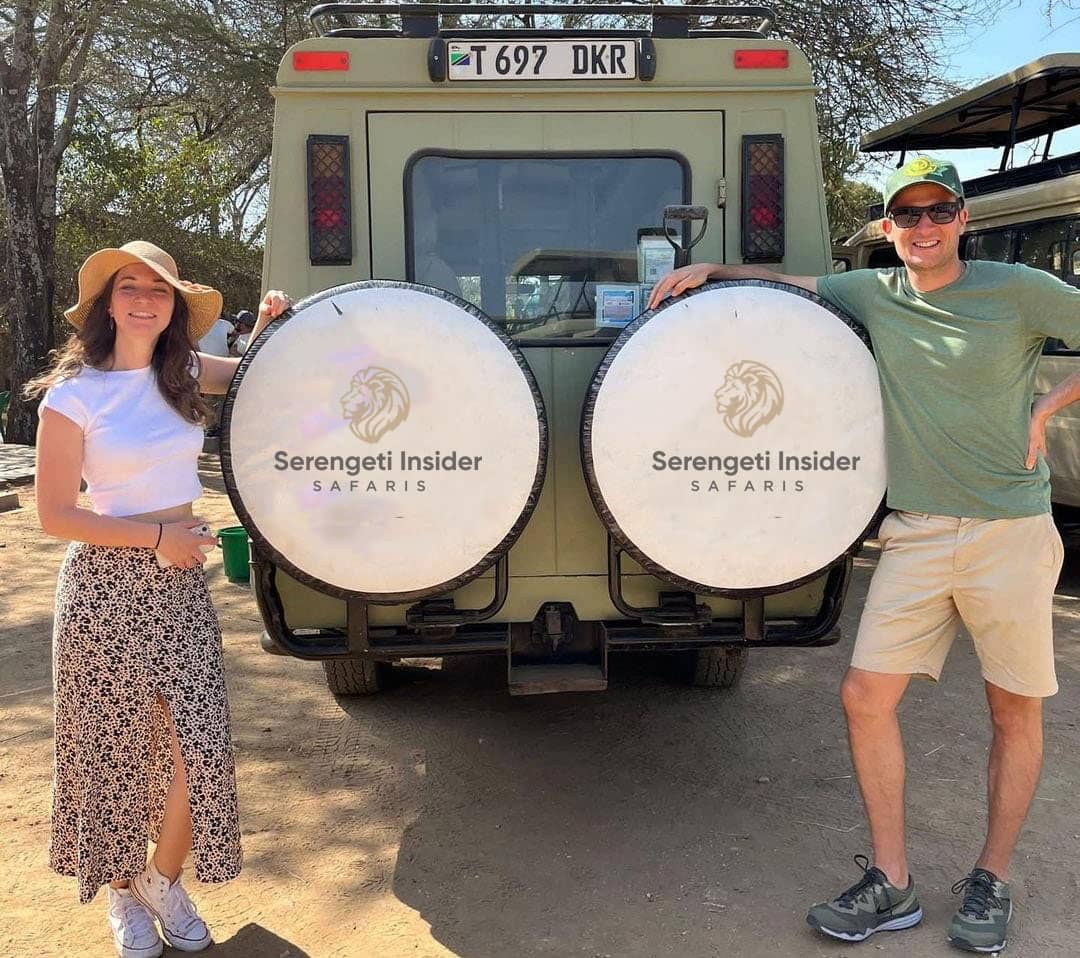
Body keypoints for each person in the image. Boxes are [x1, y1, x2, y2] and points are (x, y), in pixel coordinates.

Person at [648, 157, 1080, 953]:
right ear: (887, 229)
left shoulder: (1017, 290)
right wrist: (713, 270)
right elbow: (799, 282)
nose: (924, 227)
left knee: (1013, 710)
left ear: (963, 220)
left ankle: (991, 879)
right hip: (916, 532)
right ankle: (894, 880)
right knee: (863, 697)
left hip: (1009, 534)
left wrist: (1048, 407)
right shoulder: (874, 293)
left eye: (939, 212)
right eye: (907, 216)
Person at [24, 241, 289, 958]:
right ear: (109, 304)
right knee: (111, 753)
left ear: (175, 308)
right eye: (130, 287)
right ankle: (122, 898)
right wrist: (156, 538)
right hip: (105, 589)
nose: (145, 299)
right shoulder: (72, 397)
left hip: (178, 590)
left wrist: (268, 325)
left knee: (193, 751)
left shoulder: (183, 371)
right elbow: (54, 516)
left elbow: (256, 374)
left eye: (160, 290)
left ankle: (159, 880)